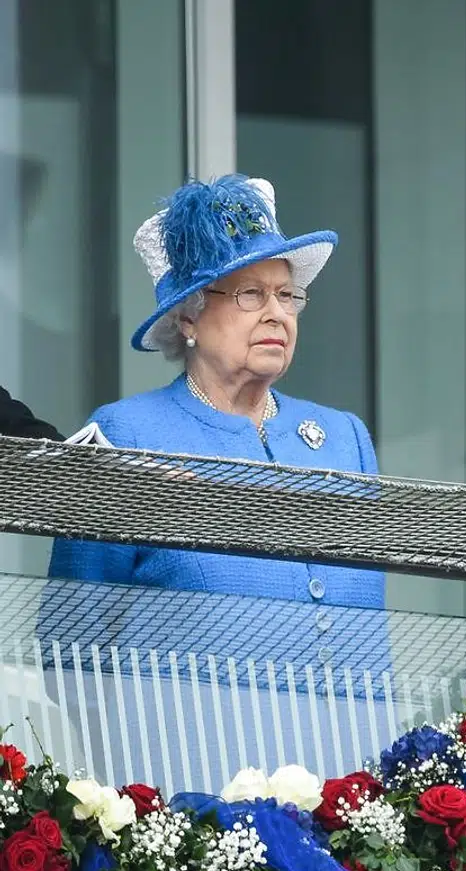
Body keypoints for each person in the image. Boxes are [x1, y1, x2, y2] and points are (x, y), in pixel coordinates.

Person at [48, 173, 383, 609]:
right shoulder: (125, 436)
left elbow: (370, 630)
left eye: (287, 295)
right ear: (189, 317)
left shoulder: (345, 438)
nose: (277, 314)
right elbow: (72, 637)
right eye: (251, 294)